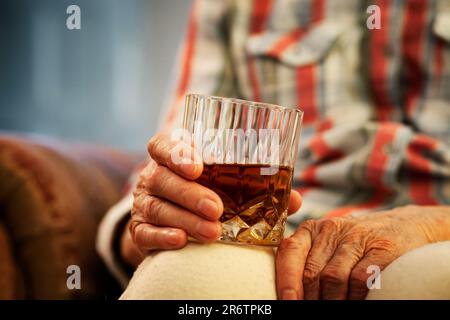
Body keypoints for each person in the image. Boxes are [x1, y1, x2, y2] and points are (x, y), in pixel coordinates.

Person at [97, 0, 450, 300]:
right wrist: (159, 217)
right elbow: (165, 169)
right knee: (185, 280)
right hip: (275, 246)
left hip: (440, 236)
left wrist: (436, 224)